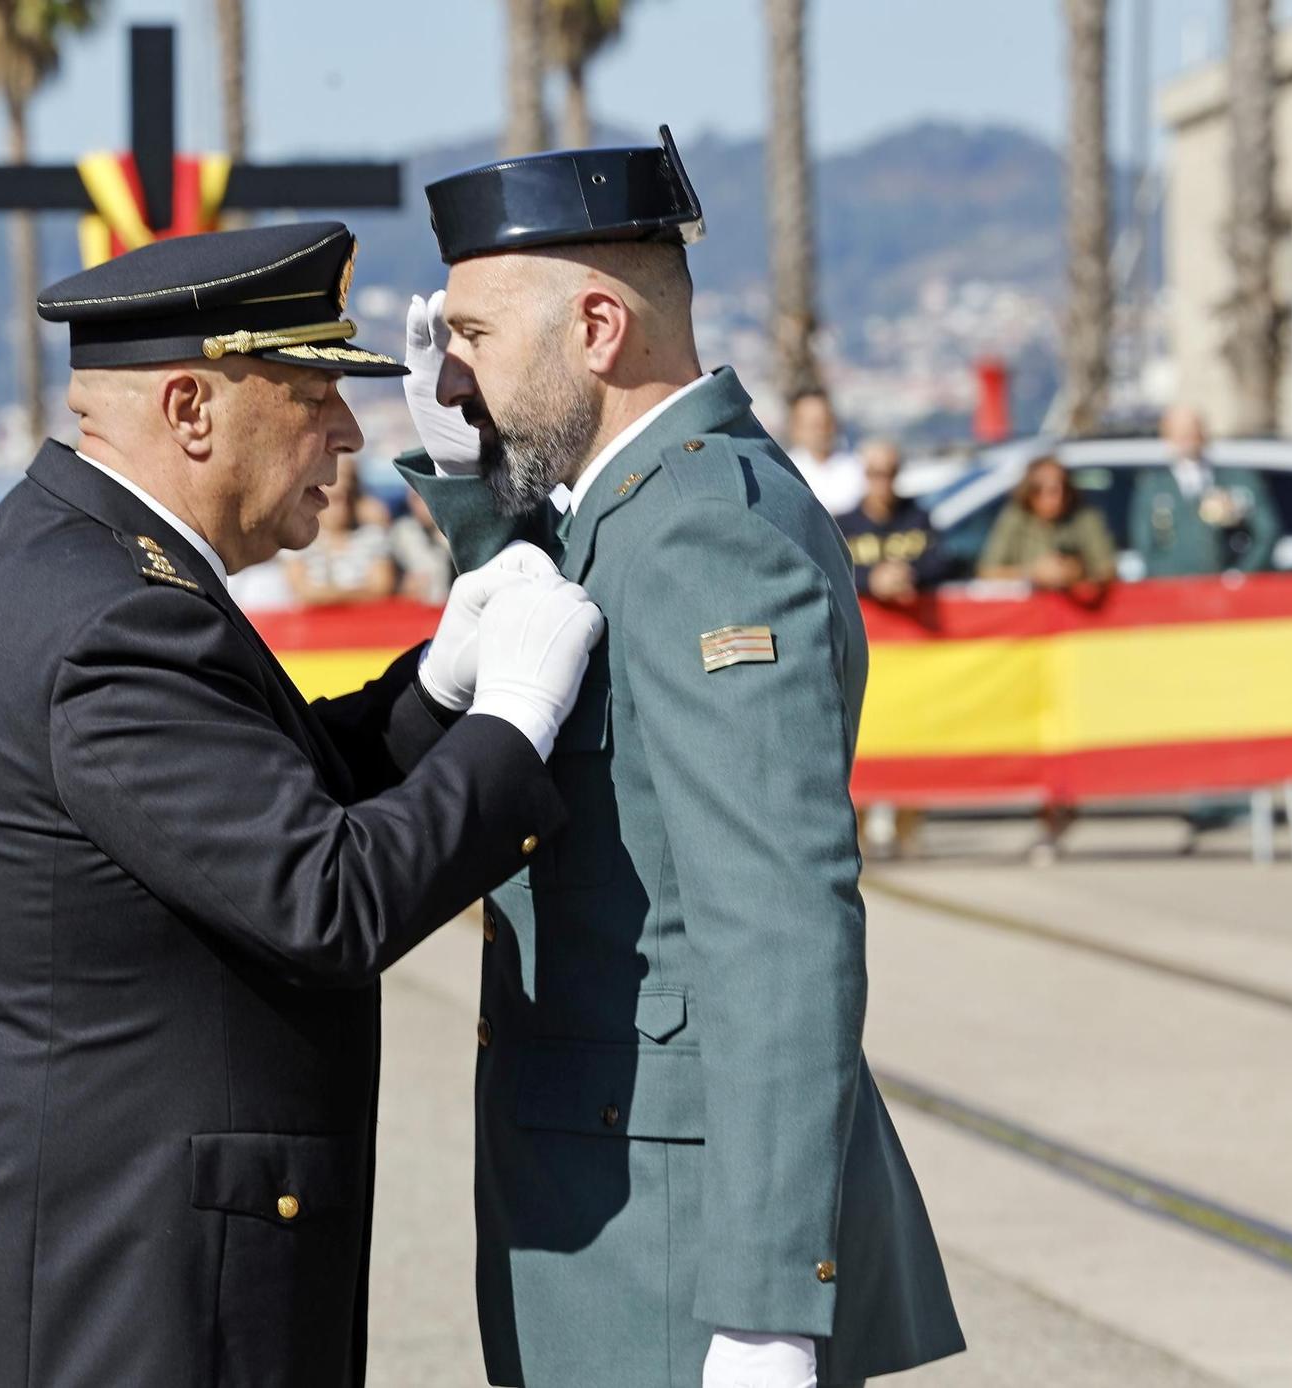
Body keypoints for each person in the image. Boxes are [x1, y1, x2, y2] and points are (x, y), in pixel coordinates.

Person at [0, 220, 605, 1388]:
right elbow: (327, 897)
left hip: (67, 1254)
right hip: (107, 1292)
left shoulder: (64, 558)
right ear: (191, 409)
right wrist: (515, 722)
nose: (344, 431)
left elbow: (246, 800)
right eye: (307, 393)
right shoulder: (117, 617)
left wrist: (434, 693)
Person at [399, 130, 962, 1388]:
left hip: (676, 1244)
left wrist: (767, 1303)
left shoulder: (707, 531)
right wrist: (472, 496)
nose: (448, 382)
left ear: (597, 326)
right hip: (617, 1201)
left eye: (475, 340)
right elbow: (545, 610)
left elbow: (774, 921)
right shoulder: (629, 511)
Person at [1128, 404, 1280, 577]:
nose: (1187, 438)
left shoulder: (1236, 480)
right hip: (1173, 590)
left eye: (1193, 431)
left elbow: (1266, 531)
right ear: (1167, 436)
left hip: (1222, 587)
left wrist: (1241, 574)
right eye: (1180, 432)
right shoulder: (1153, 486)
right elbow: (1144, 545)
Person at [976, 454, 1118, 589]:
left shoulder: (1084, 517)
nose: (1057, 499)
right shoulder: (1015, 518)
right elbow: (987, 571)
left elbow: (1108, 570)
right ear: (1031, 492)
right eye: (1048, 491)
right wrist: (1032, 573)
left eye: (1062, 489)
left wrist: (1077, 572)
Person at [836, 439, 949, 604]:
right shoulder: (844, 525)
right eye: (876, 474)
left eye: (890, 473)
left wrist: (909, 574)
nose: (883, 482)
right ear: (865, 473)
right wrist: (871, 579)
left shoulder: (917, 518)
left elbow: (940, 562)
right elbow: (835, 572)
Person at [282, 453, 398, 605]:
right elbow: (302, 590)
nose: (342, 506)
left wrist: (324, 595)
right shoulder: (297, 540)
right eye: (334, 499)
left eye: (347, 497)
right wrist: (359, 594)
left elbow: (382, 586)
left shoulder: (373, 536)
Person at [784, 387, 865, 517]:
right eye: (814, 425)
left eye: (826, 423)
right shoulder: (786, 470)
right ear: (796, 428)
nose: (822, 431)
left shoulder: (859, 468)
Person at [392, 487, 456, 604]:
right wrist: (401, 584)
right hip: (417, 611)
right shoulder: (402, 532)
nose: (422, 504)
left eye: (425, 497)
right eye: (415, 499)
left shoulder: (456, 532)